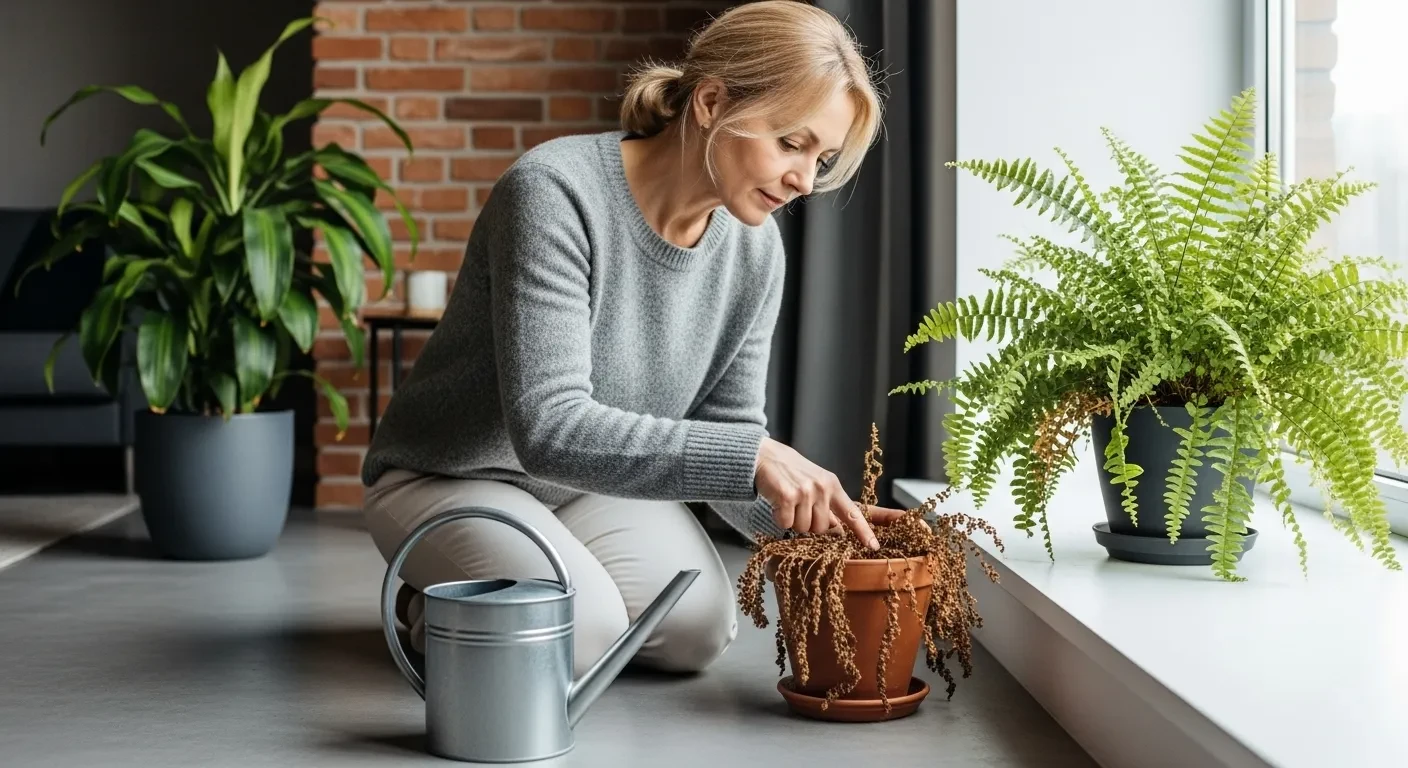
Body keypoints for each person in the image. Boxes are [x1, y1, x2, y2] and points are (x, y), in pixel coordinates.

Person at [361, 0, 903, 678]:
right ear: (710, 102)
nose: (804, 180)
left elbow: (727, 438)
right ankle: (440, 605)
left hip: (585, 486)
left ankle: (509, 591)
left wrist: (821, 530)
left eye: (821, 158)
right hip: (449, 474)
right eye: (791, 143)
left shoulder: (756, 253)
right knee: (583, 633)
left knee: (698, 631)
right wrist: (754, 454)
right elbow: (548, 429)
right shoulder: (555, 192)